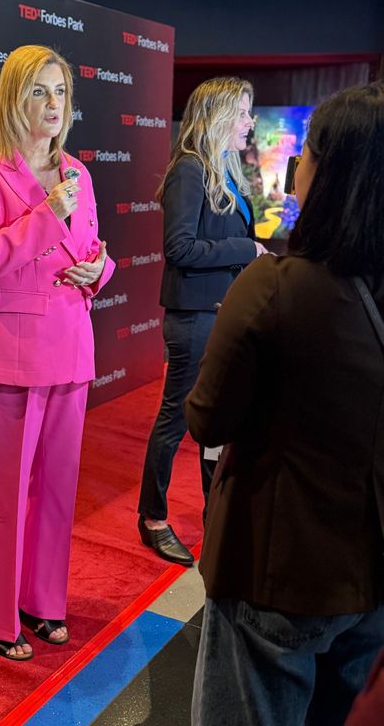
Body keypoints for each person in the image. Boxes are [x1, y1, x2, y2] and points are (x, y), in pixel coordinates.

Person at [187, 81, 384, 725]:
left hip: (275, 570)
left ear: (331, 173)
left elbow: (208, 417)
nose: (295, 163)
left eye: (306, 152)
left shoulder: (273, 287)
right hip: (368, 577)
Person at [0, 45, 115, 661]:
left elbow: (94, 249)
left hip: (72, 348)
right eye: (39, 92)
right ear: (14, 99)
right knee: (4, 497)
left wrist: (99, 270)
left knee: (56, 491)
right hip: (10, 358)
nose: (53, 106)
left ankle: (44, 602)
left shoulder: (80, 173)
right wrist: (46, 215)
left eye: (60, 93)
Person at [137, 77, 266, 564]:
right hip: (194, 320)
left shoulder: (225, 171)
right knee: (176, 420)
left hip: (226, 317)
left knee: (222, 420)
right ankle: (153, 518)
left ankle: (217, 517)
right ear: (216, 117)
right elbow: (180, 248)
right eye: (243, 114)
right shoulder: (189, 171)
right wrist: (246, 249)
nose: (250, 124)